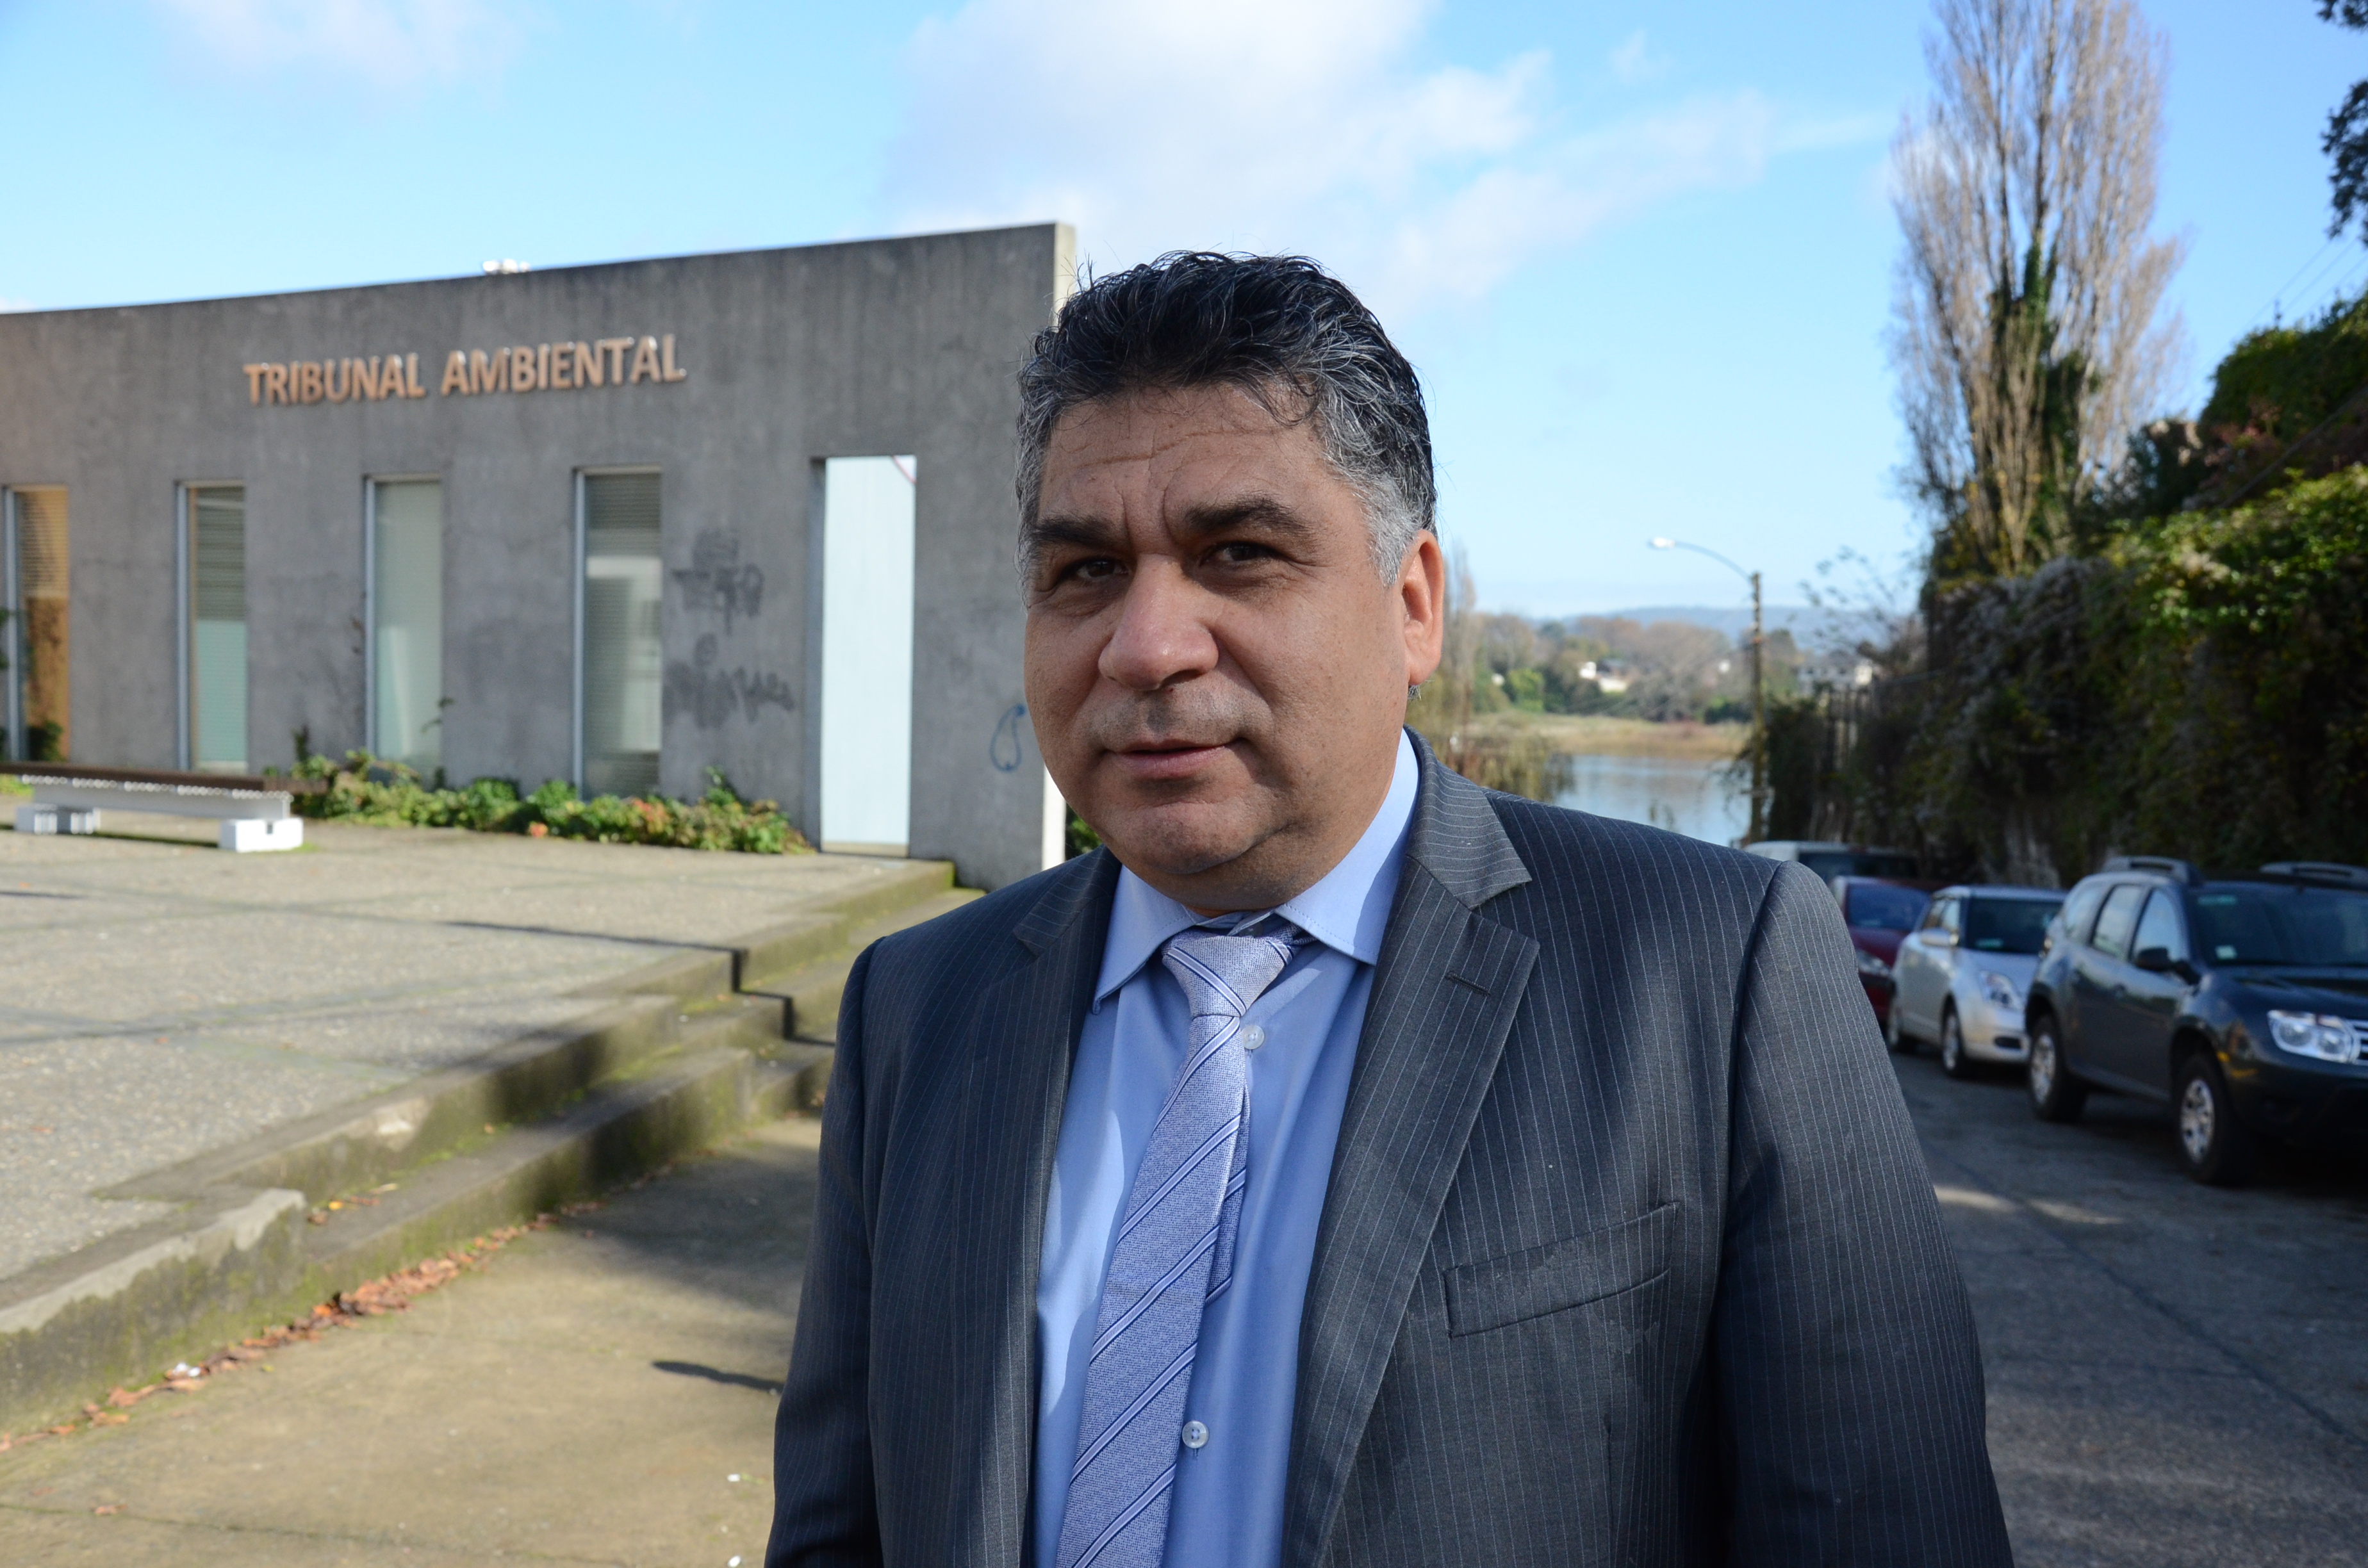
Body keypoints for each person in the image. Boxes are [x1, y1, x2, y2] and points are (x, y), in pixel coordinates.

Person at [767, 253, 2010, 1567]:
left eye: (1239, 555)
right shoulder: (919, 1005)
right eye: (1085, 570)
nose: (1145, 645)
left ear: (1413, 609)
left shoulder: (1714, 972)